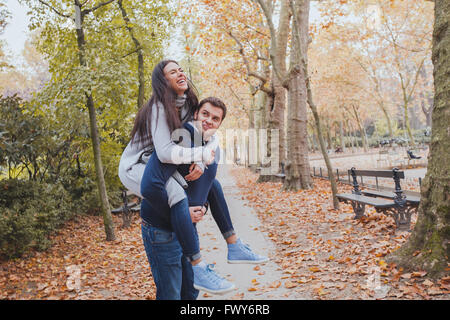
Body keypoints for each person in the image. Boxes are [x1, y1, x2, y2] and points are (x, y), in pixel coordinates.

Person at [118, 60, 267, 299]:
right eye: (172, 71)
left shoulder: (187, 105)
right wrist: (199, 154)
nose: (180, 73)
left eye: (181, 69)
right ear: (162, 80)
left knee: (212, 185)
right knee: (176, 196)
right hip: (136, 166)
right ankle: (197, 264)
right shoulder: (158, 106)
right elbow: (166, 152)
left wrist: (201, 158)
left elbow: (209, 137)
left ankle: (233, 244)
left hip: (161, 162)